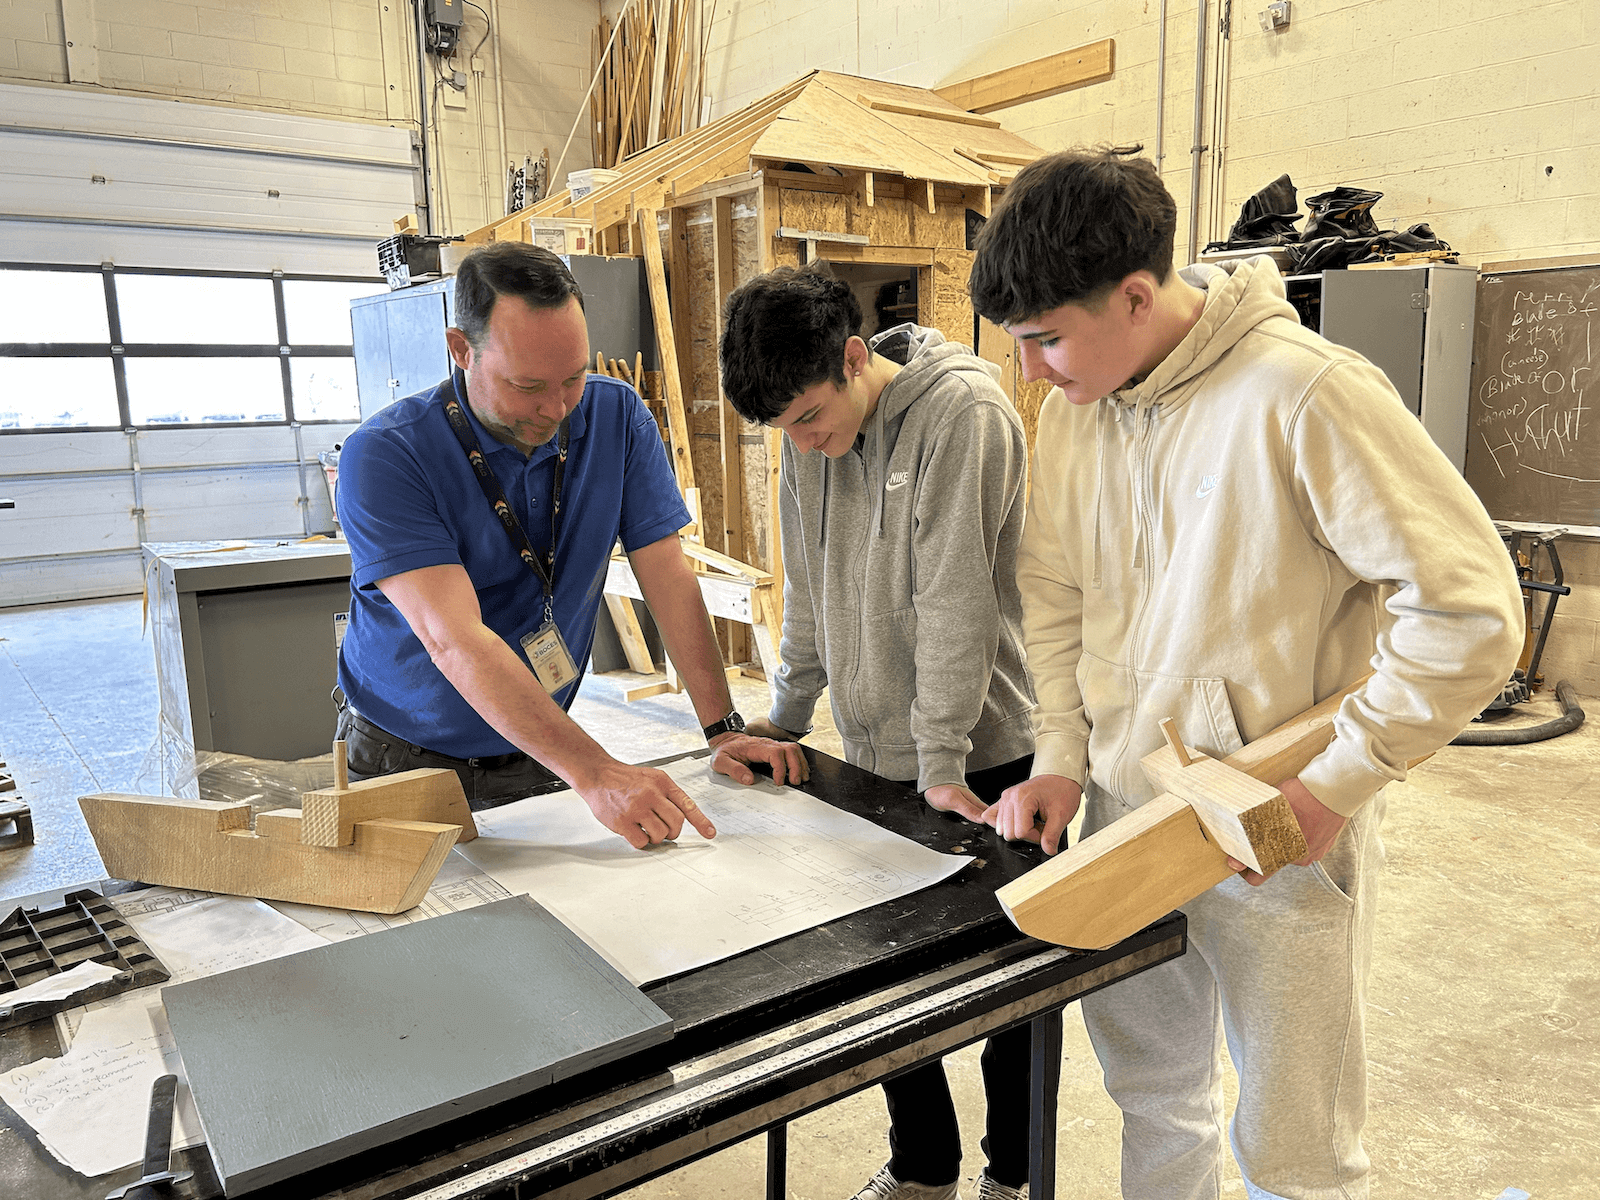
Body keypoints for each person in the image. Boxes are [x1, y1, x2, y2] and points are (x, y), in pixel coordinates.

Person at [968, 146, 1523, 1199]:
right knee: (1154, 1096)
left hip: (1278, 827)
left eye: (1044, 340)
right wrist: (1057, 754)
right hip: (1127, 822)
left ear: (1134, 296)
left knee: (1293, 1141)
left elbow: (1468, 613)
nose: (1030, 371)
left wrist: (1338, 784)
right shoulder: (1074, 414)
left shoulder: (1305, 395)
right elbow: (1052, 596)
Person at [720, 264, 1037, 1200]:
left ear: (856, 358)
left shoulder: (963, 415)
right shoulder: (808, 441)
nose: (805, 445)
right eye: (785, 432)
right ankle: (923, 1171)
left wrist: (940, 760)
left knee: (1003, 990)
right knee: (888, 977)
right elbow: (809, 595)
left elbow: (955, 603)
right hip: (873, 752)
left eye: (811, 419)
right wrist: (781, 721)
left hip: (987, 755)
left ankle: (1015, 1176)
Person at [334, 241, 805, 847]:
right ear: (461, 349)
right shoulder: (388, 455)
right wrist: (598, 772)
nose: (556, 408)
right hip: (403, 756)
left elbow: (667, 575)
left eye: (573, 377)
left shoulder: (617, 417)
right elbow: (456, 640)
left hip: (542, 739)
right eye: (527, 385)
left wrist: (721, 727)